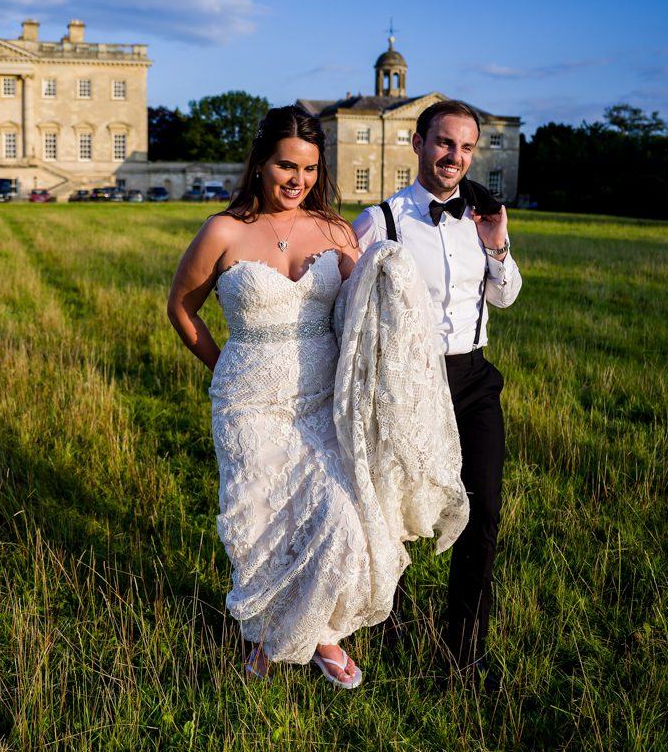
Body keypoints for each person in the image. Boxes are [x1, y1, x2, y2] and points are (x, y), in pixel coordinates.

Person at [166, 105, 369, 687]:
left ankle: (321, 631)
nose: (297, 179)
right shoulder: (223, 231)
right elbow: (182, 308)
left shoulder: (335, 231)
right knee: (258, 521)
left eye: (308, 168)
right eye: (286, 165)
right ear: (260, 163)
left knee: (339, 518)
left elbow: (365, 313)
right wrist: (223, 365)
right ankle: (263, 635)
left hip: (319, 401)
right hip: (247, 403)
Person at [352, 100, 522, 691]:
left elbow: (504, 297)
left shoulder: (483, 216)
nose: (455, 157)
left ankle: (464, 651)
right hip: (408, 383)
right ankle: (385, 618)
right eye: (445, 143)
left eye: (467, 148)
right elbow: (349, 308)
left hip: (473, 379)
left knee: (484, 511)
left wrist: (497, 244)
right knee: (397, 511)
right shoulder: (381, 221)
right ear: (419, 143)